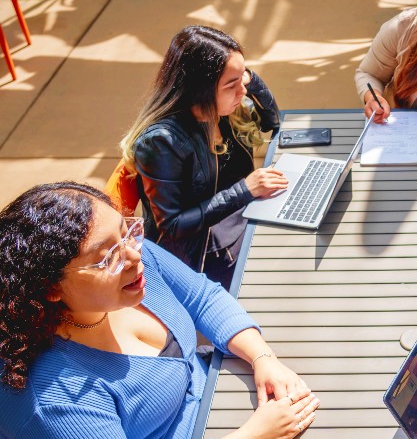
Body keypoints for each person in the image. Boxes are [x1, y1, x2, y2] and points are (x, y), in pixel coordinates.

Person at [0, 182, 319, 438]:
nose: (134, 255)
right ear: (52, 288)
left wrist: (263, 358)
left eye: (126, 230)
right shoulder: (53, 402)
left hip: (228, 394)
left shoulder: (133, 263)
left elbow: (203, 297)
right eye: (106, 256)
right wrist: (255, 434)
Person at [120, 25, 287, 290]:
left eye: (241, 79)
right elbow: (171, 226)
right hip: (205, 255)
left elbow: (273, 121)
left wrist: (249, 78)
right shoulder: (162, 142)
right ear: (201, 90)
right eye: (231, 85)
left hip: (239, 219)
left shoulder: (222, 111)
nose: (242, 91)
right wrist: (245, 190)